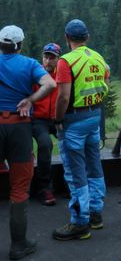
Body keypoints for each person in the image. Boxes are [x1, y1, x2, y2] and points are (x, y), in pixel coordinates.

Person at [0, 25, 56, 259]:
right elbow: (50, 85)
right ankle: (18, 245)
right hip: (20, 127)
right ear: (20, 44)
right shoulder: (30, 64)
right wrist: (30, 100)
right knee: (20, 187)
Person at [53, 19, 109, 241]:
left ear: (67, 38)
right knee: (94, 166)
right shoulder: (98, 57)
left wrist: (58, 118)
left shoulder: (66, 61)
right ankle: (96, 214)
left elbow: (64, 96)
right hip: (94, 116)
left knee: (75, 173)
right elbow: (104, 83)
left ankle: (79, 223)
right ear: (87, 37)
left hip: (74, 120)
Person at [31, 43, 62, 206]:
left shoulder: (63, 74)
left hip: (58, 119)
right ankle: (44, 188)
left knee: (71, 143)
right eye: (46, 57)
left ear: (58, 59)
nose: (48, 61)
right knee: (45, 144)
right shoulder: (36, 74)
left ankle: (70, 183)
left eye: (52, 57)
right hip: (39, 120)